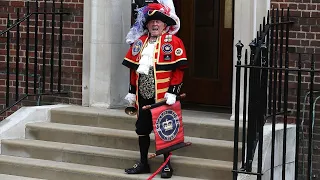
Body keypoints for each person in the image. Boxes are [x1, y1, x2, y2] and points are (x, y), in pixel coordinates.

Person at [122, 2, 187, 179]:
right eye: (151, 22)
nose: (155, 24)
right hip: (143, 96)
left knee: (164, 130)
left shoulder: (173, 42)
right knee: (142, 129)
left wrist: (173, 91)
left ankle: (167, 165)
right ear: (147, 25)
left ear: (165, 25)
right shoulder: (140, 43)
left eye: (159, 21)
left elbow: (178, 70)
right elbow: (133, 70)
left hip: (163, 96)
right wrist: (131, 91)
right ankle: (143, 162)